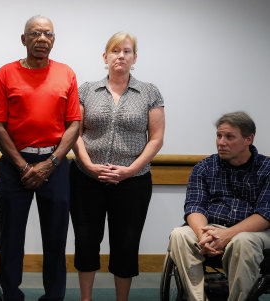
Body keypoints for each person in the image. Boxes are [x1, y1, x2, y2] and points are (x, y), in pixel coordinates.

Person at [0, 15, 81, 301]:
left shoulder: (66, 73)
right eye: (36, 33)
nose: (43, 39)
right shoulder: (5, 73)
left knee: (56, 238)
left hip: (55, 165)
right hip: (15, 165)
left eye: (48, 34)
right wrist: (24, 166)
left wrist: (50, 163)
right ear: (24, 39)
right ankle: (11, 295)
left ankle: (54, 296)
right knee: (11, 237)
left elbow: (75, 124)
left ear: (53, 40)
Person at [69, 31, 165, 301]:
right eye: (115, 51)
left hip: (133, 183)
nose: (120, 55)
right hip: (87, 180)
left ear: (135, 58)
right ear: (105, 56)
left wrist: (131, 170)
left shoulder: (149, 92)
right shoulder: (87, 89)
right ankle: (85, 298)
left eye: (126, 51)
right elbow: (74, 131)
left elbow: (156, 138)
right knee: (86, 241)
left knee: (126, 244)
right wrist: (88, 164)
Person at [168, 111, 270, 301]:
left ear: (248, 139)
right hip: (211, 229)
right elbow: (194, 206)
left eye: (229, 137)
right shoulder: (204, 167)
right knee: (179, 235)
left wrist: (227, 235)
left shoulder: (266, 169)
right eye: (219, 136)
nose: (221, 142)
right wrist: (203, 236)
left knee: (243, 242)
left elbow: (265, 215)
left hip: (256, 232)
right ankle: (197, 298)